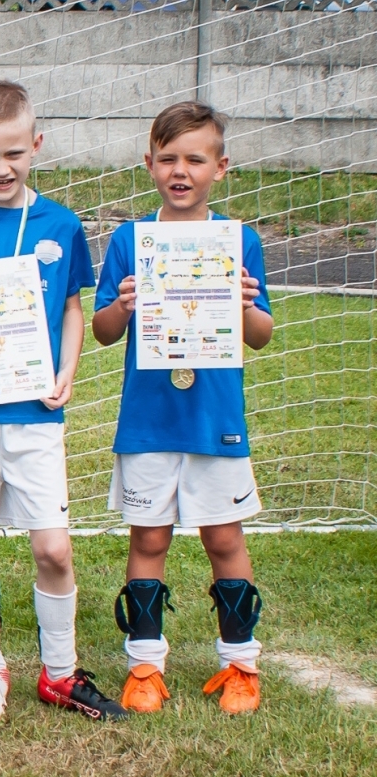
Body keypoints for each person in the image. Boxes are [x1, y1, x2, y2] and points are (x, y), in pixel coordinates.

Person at [0, 81, 126, 723]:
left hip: (37, 413)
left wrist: (67, 372)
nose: (1, 168)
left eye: (13, 153)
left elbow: (70, 308)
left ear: (36, 144)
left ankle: (60, 673)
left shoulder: (61, 223)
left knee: (53, 549)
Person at [92, 101, 275, 715]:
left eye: (194, 159)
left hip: (214, 420)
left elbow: (261, 334)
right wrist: (122, 304)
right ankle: (145, 664)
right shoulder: (129, 240)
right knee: (148, 538)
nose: (180, 170)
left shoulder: (238, 240)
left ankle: (240, 665)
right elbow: (102, 331)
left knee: (225, 538)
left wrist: (246, 302)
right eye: (167, 158)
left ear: (220, 168)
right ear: (148, 164)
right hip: (148, 422)